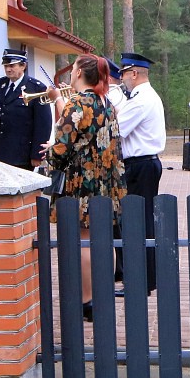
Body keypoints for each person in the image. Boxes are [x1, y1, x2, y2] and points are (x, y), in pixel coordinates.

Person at [45, 55, 126, 318]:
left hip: (82, 181)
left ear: (79, 73)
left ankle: (86, 300)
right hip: (105, 180)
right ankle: (103, 295)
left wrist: (50, 153)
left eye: (73, 69)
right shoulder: (106, 102)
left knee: (83, 240)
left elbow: (60, 150)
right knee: (104, 239)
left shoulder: (77, 103)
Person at [115, 51, 167, 294]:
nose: (121, 78)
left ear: (134, 73)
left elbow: (116, 128)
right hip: (142, 163)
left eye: (124, 73)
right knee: (140, 220)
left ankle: (142, 281)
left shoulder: (141, 99)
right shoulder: (140, 96)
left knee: (138, 222)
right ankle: (145, 279)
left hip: (140, 164)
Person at [0, 48, 52, 171]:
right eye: (5, 66)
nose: (8, 69)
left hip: (21, 153)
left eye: (12, 66)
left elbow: (43, 123)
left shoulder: (36, 88)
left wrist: (37, 154)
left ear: (23, 66)